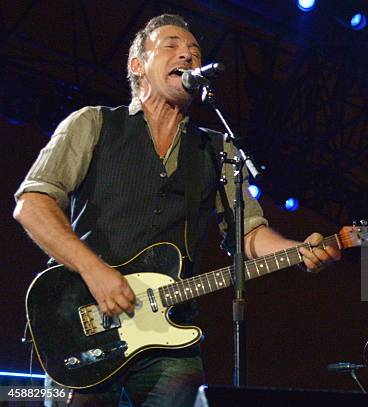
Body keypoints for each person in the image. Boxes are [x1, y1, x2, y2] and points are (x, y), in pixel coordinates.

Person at [13, 14, 340, 407]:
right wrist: (94, 270)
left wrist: (296, 251)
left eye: (195, 51)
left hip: (171, 331)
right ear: (138, 65)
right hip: (84, 320)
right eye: (171, 45)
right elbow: (32, 203)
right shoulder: (93, 123)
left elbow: (248, 234)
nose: (187, 53)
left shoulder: (218, 149)